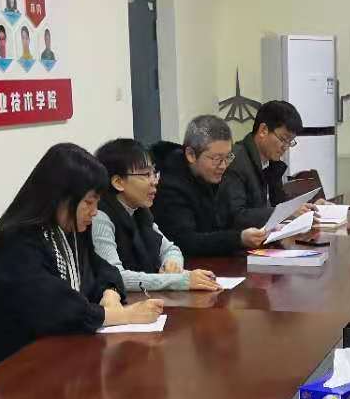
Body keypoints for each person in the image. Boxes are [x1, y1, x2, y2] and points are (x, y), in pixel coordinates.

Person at [0, 144, 165, 384]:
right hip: (4, 372)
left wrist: (110, 293)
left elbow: (104, 269)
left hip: (56, 357)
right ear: (61, 199)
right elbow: (55, 307)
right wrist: (124, 315)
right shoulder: (16, 243)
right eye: (89, 203)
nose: (95, 212)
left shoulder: (69, 231)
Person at [91, 138, 220, 293]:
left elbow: (171, 249)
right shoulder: (100, 217)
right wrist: (178, 281)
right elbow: (116, 277)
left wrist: (172, 264)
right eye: (146, 174)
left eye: (154, 173)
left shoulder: (140, 211)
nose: (154, 181)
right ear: (118, 182)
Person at [152, 115, 267, 257]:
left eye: (228, 157)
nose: (223, 166)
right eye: (217, 159)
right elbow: (185, 241)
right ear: (191, 155)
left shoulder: (210, 175)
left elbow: (225, 222)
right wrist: (239, 239)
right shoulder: (169, 185)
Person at [220, 100, 313, 230]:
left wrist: (306, 207)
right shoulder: (236, 162)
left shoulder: (271, 162)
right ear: (263, 130)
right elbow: (237, 216)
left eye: (290, 142)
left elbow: (278, 202)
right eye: (283, 139)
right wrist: (285, 212)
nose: (286, 147)